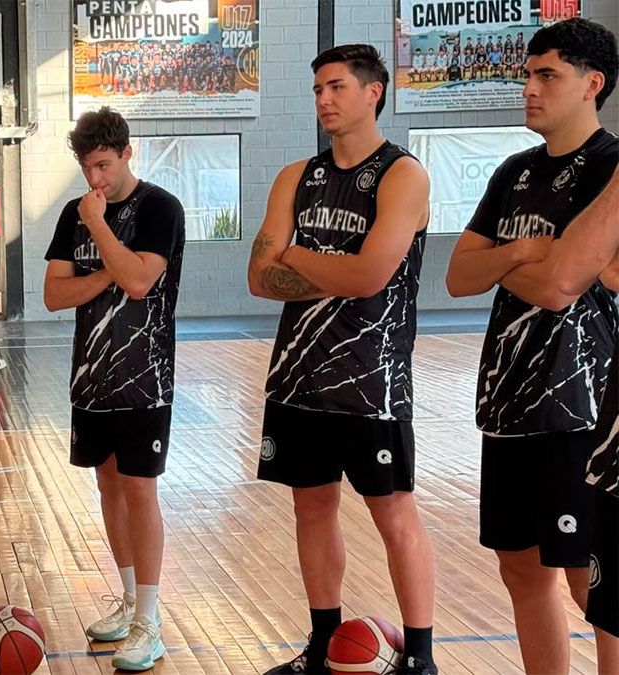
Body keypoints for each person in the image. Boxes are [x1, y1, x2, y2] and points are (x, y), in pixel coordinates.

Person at [247, 44, 436, 675]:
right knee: (311, 507)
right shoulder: (295, 177)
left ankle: (422, 657)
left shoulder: (403, 175)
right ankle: (322, 644)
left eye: (336, 87)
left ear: (373, 92)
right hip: (298, 376)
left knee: (393, 512)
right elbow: (259, 278)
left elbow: (370, 277)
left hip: (371, 379)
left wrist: (298, 255)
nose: (324, 100)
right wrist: (332, 267)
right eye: (317, 90)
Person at [445, 17, 619, 674]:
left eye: (548, 75)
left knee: (590, 576)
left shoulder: (611, 167)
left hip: (582, 407)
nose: (529, 88)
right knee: (520, 568)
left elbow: (556, 288)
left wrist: (508, 264)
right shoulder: (513, 172)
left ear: (592, 84)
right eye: (528, 74)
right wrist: (523, 251)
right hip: (508, 403)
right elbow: (459, 274)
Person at [43, 107, 185, 672]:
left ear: (128, 153)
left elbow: (140, 280)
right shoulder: (71, 214)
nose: (95, 179)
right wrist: (105, 273)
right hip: (90, 378)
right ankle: (128, 601)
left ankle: (150, 620)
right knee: (107, 485)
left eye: (103, 165)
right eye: (87, 168)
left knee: (139, 490)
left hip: (144, 378)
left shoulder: (159, 208)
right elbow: (55, 295)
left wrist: (100, 231)